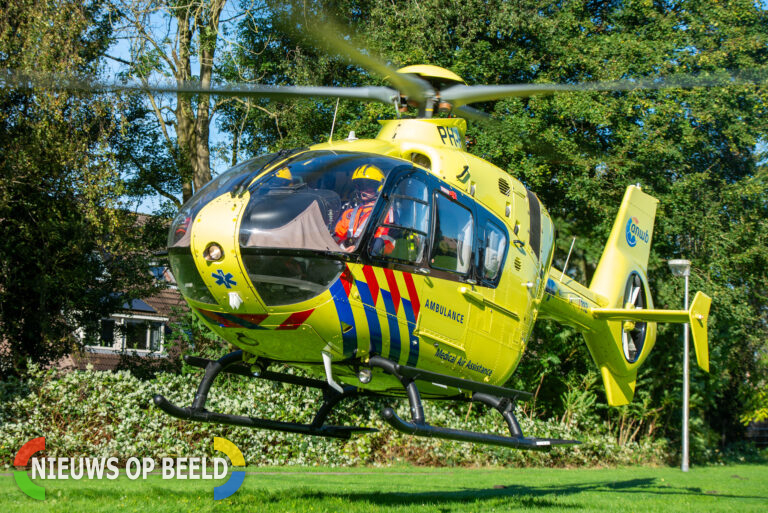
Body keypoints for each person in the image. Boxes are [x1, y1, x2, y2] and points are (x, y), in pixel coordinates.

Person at [334, 164, 394, 253]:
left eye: (369, 185)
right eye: (360, 185)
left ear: (379, 186)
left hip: (367, 260)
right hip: (343, 258)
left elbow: (381, 240)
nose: (364, 189)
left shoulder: (385, 212)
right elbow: (337, 236)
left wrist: (359, 249)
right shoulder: (348, 213)